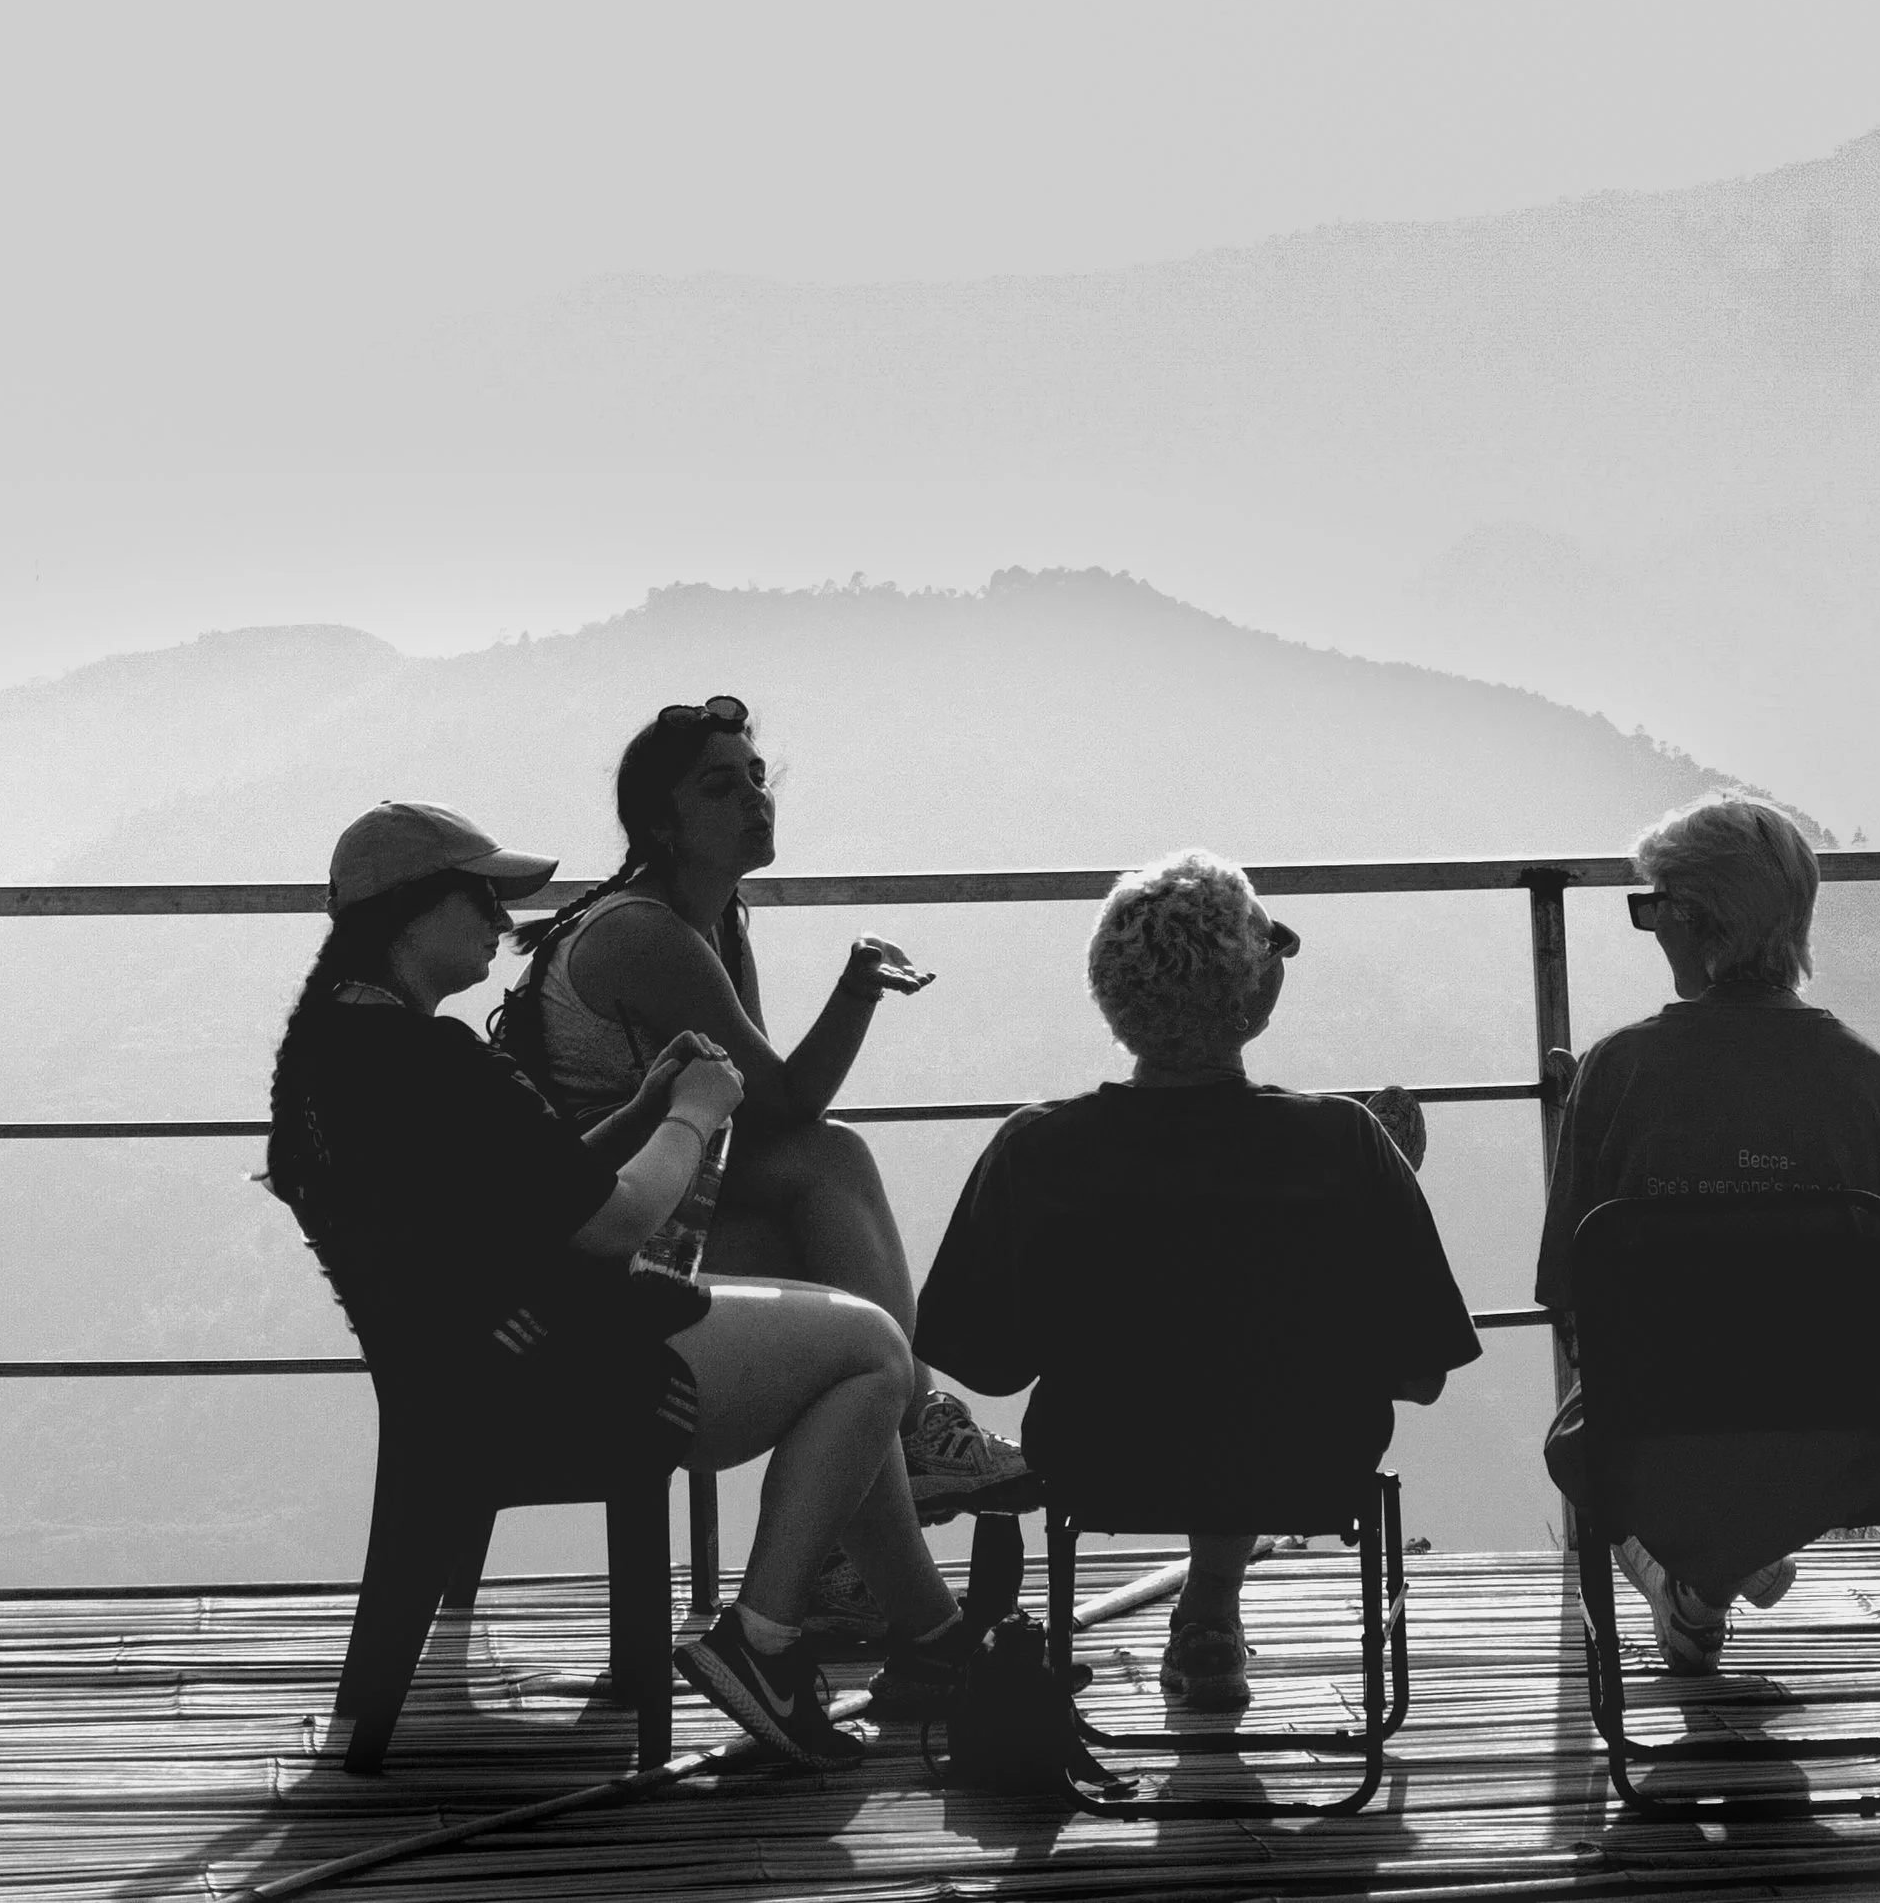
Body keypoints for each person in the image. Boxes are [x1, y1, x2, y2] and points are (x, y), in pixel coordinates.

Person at [267, 797, 973, 1767]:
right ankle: (762, 1640)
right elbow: (609, 1222)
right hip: (567, 1376)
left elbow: (536, 1198)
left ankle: (931, 1638)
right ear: (409, 911)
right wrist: (691, 1113)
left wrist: (643, 1103)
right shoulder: (428, 1062)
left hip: (470, 1372)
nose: (500, 920)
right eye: (477, 897)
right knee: (871, 1351)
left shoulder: (328, 1056)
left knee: (848, 1347)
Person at [913, 849, 1479, 1713]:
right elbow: (1422, 1376)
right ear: (1251, 997)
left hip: (1099, 1461)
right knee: (1255, 1363)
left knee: (1199, 1362)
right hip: (1308, 1462)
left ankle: (1208, 1605)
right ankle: (1213, 1603)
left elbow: (985, 1363)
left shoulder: (1037, 1151)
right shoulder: (1345, 1143)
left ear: (1112, 994)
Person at [493, 697, 1035, 1551]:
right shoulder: (644, 934)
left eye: (756, 777)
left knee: (825, 1240)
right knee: (832, 1186)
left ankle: (857, 1540)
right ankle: (907, 1437)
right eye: (720, 787)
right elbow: (779, 1103)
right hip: (607, 1234)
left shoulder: (712, 921)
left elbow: (761, 1110)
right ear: (663, 826)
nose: (754, 798)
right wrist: (856, 993)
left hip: (662, 1203)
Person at [1536, 792, 1880, 1672]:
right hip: (1850, 1447)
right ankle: (1722, 1558)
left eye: (1652, 908)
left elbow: (1570, 1291)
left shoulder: (1618, 1075)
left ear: (1693, 917)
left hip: (1646, 1435)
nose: (1652, 929)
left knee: (1583, 1441)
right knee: (1749, 1469)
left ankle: (1701, 1570)